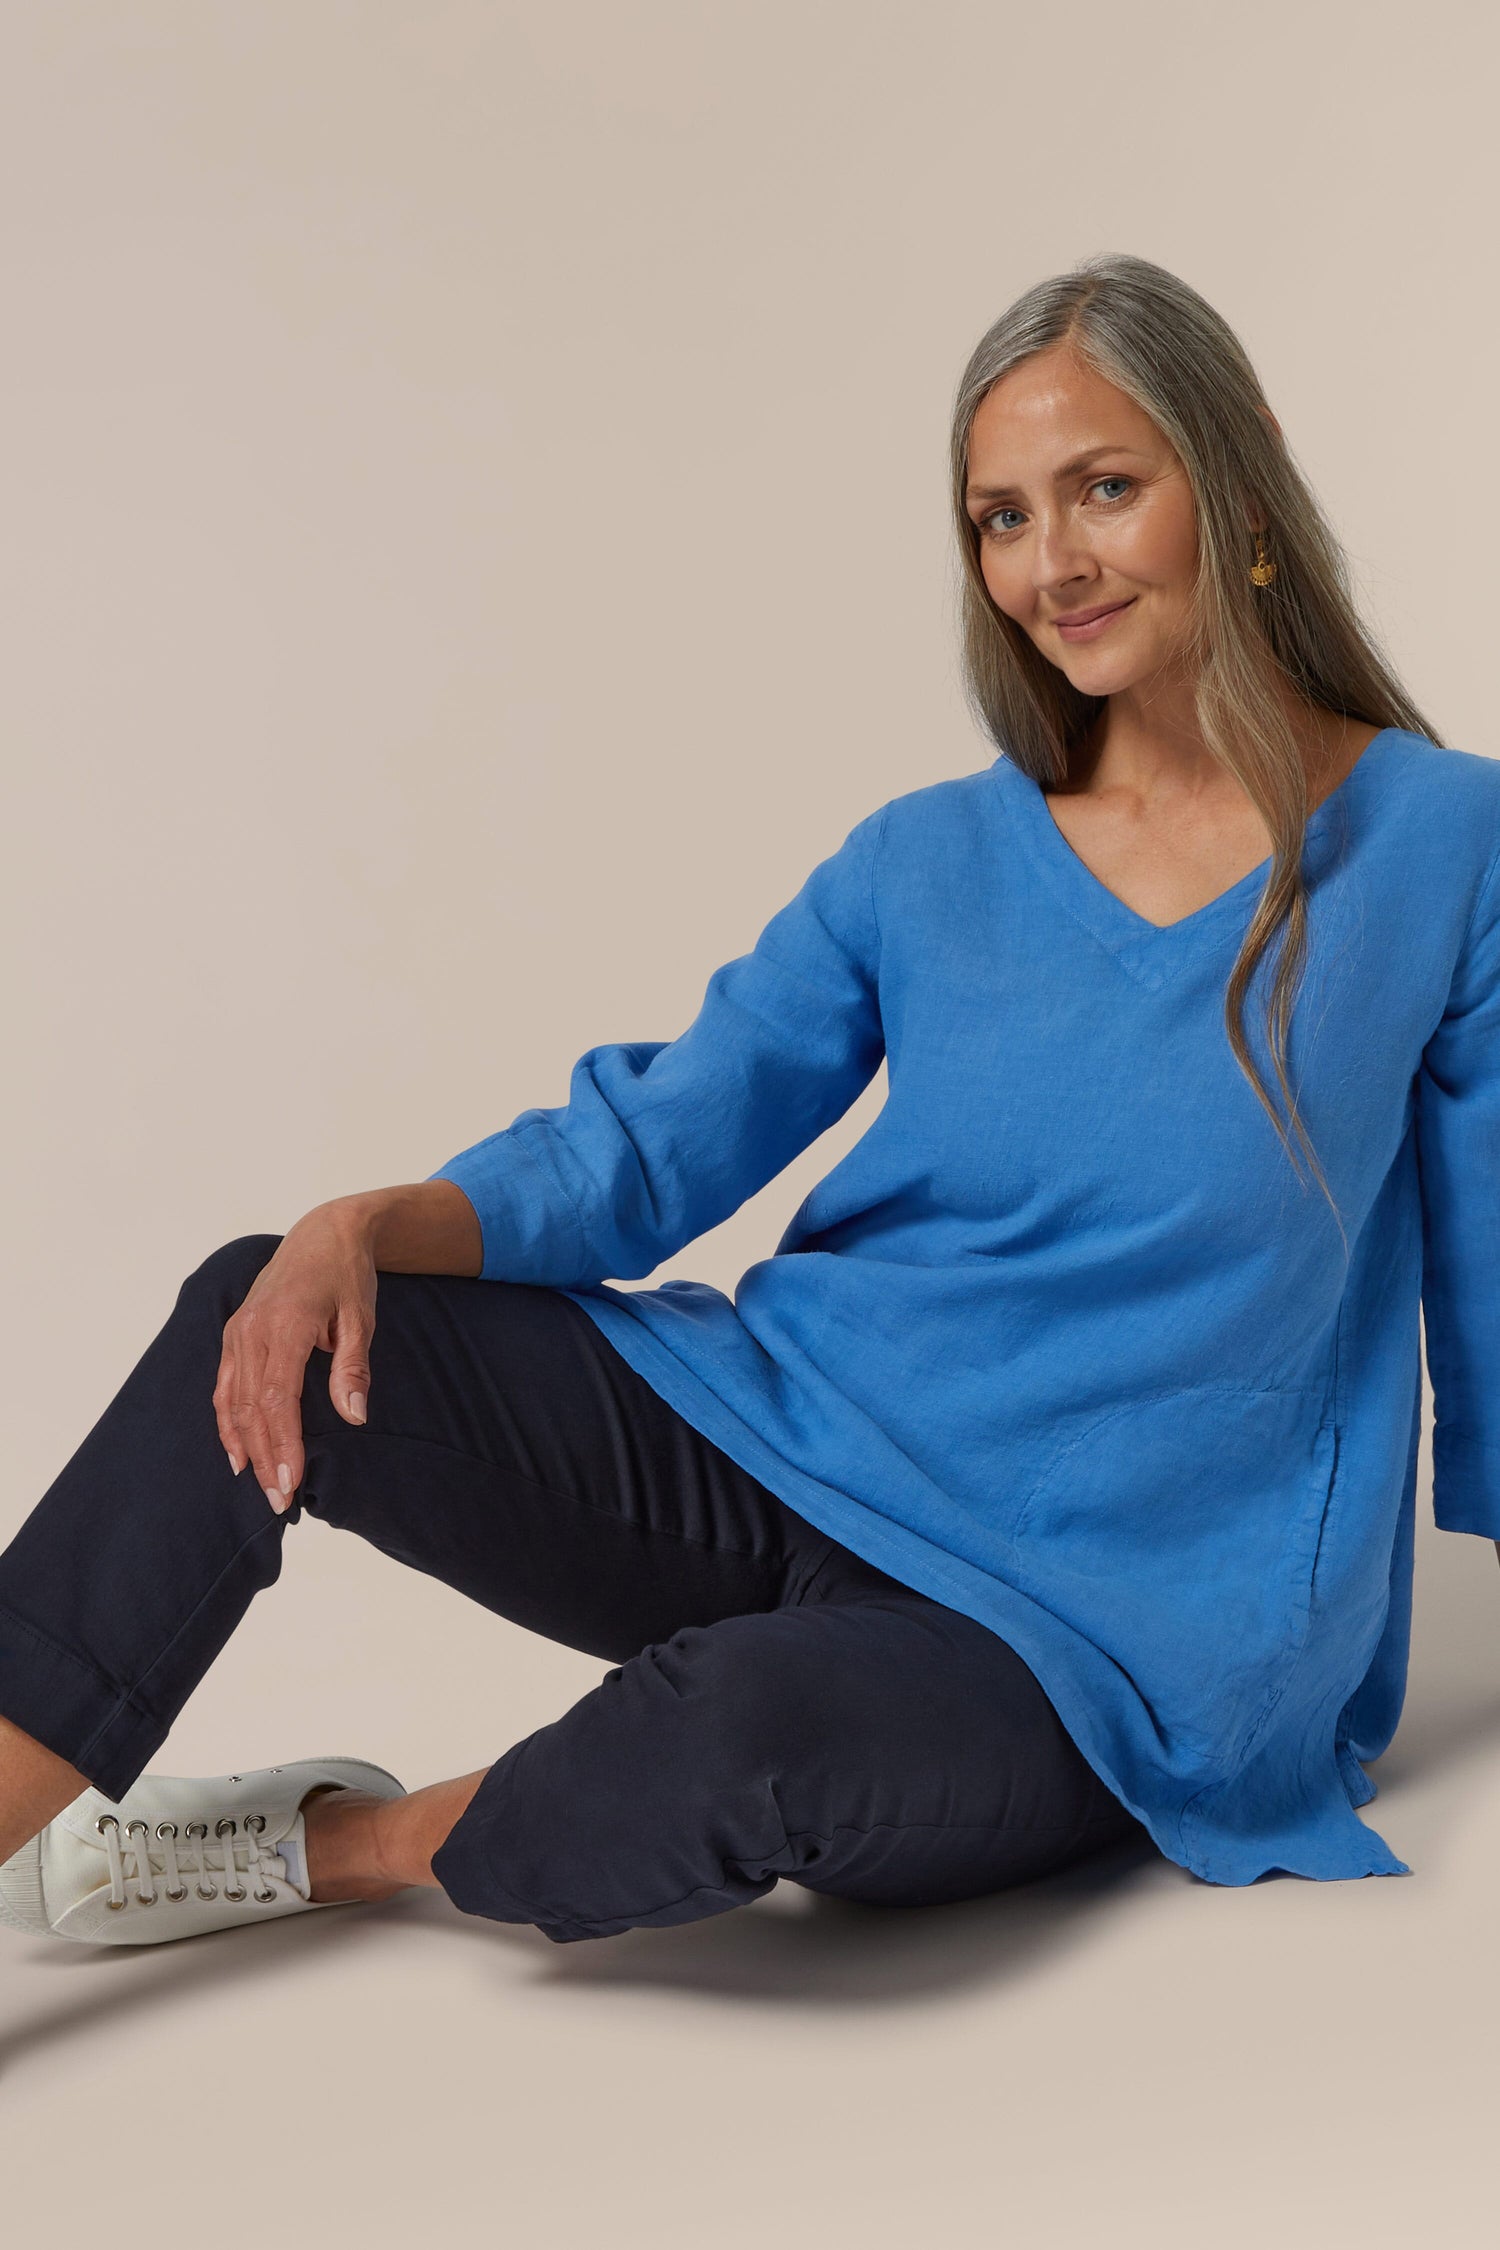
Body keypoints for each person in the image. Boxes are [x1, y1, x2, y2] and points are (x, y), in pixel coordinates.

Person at [2, 251, 1496, 1953]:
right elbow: (652, 1148)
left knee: (734, 1737)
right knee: (259, 1314)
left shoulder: (1445, 843)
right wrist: (356, 1227)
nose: (1053, 563)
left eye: (1104, 488)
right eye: (1001, 518)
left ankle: (342, 1843)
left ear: (1238, 474)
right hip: (780, 1442)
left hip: (1099, 1640)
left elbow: (1496, 1236)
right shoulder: (924, 860)